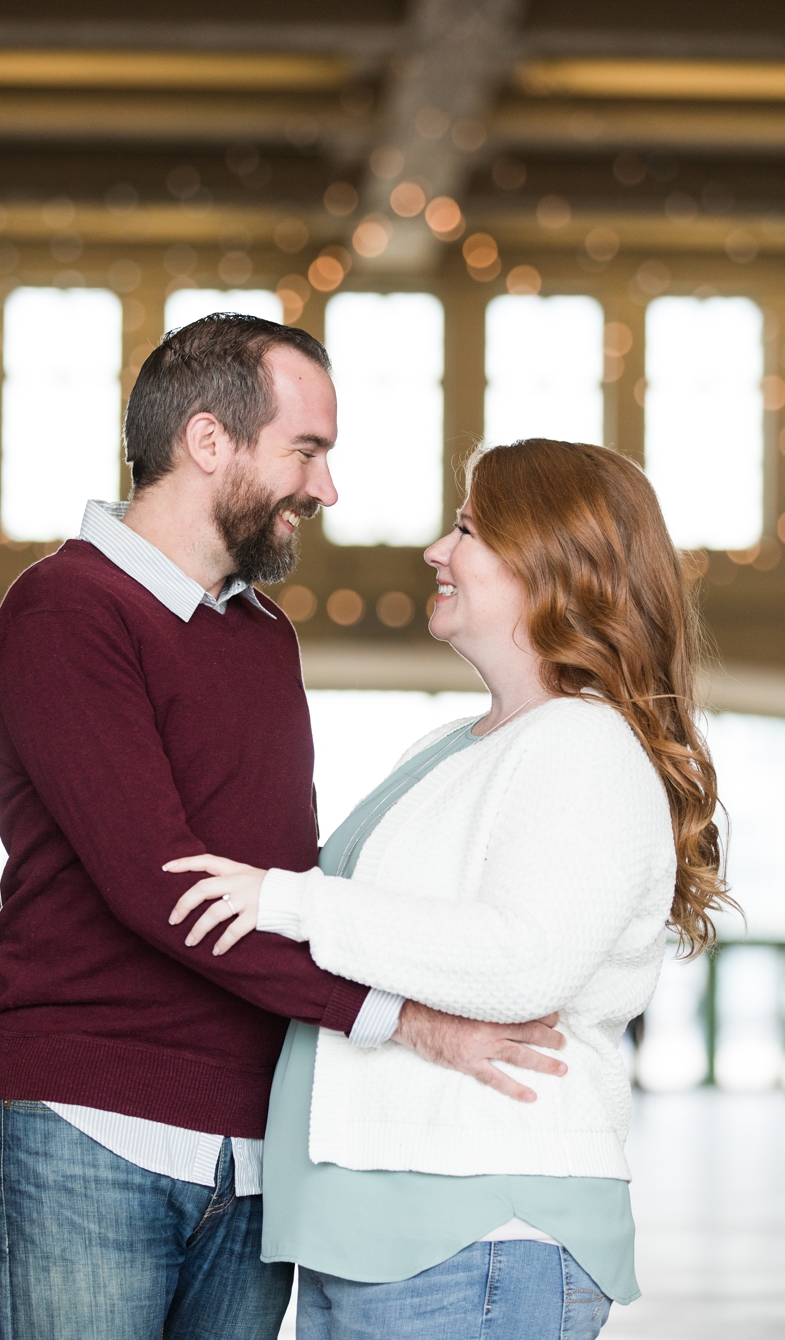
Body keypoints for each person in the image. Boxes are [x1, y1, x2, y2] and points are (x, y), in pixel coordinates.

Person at [0, 313, 566, 1340]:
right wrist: (414, 1022)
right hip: (89, 1133)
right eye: (307, 451)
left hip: (257, 1158)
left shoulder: (261, 637)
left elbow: (291, 887)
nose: (325, 490)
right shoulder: (65, 609)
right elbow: (169, 892)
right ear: (210, 443)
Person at [166, 438, 731, 1337]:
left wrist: (288, 900)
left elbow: (523, 961)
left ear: (552, 564)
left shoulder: (582, 746)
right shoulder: (455, 748)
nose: (437, 550)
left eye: (466, 528)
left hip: (478, 1236)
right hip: (388, 1233)